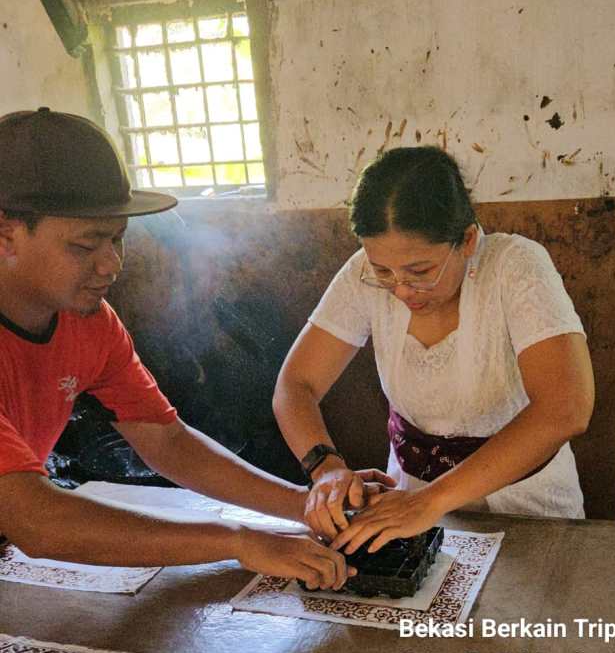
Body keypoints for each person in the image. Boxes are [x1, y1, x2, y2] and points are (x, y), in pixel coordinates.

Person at [0, 107, 381, 589]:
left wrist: (304, 504)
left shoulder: (89, 323)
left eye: (117, 239)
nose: (112, 264)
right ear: (6, 235)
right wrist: (239, 541)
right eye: (85, 246)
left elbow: (167, 442)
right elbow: (36, 521)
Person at [274, 145, 595, 554]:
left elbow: (566, 408)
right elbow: (295, 384)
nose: (401, 289)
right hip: (407, 497)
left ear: (467, 240)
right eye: (383, 271)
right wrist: (326, 467)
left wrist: (431, 501)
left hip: (524, 502)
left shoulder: (515, 266)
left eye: (420, 271)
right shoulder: (362, 274)